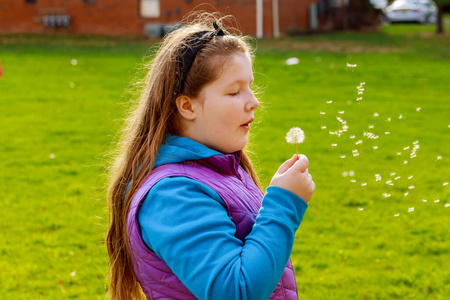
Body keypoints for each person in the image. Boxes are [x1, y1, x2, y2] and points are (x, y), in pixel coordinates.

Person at [106, 13, 315, 300]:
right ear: (187, 107)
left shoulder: (224, 170)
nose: (254, 101)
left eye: (250, 86)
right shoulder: (172, 194)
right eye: (234, 91)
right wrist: (283, 205)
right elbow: (235, 291)